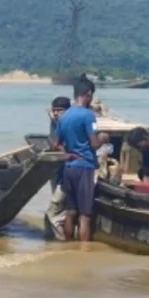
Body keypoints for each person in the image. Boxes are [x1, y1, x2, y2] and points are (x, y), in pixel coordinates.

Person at [55, 76, 110, 242]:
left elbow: (57, 143)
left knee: (70, 211)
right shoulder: (88, 116)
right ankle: (83, 251)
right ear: (88, 94)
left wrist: (70, 153)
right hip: (84, 167)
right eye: (91, 95)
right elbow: (93, 144)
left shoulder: (64, 117)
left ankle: (68, 246)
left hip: (69, 167)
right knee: (85, 214)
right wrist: (103, 138)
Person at [44, 96, 71, 240]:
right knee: (62, 209)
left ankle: (60, 243)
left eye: (59, 110)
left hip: (69, 173)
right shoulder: (56, 123)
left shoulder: (68, 125)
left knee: (52, 213)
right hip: (59, 172)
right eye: (54, 110)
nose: (56, 113)